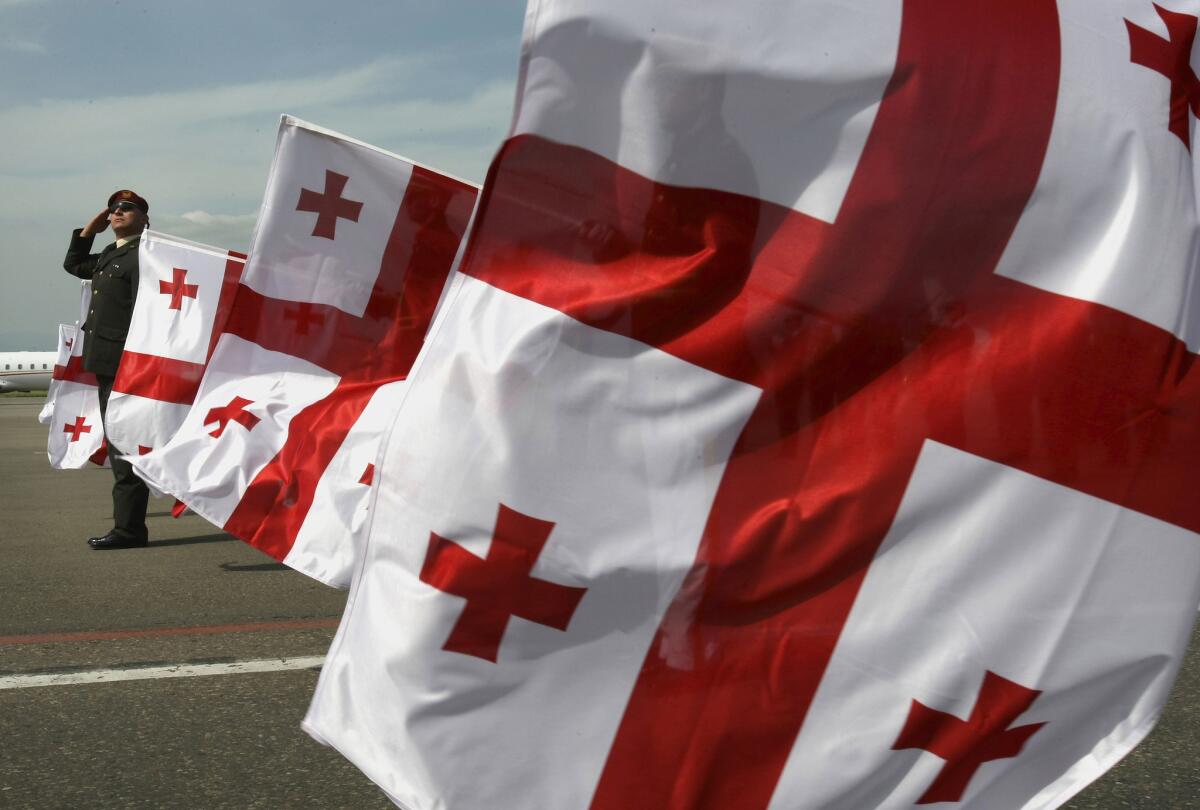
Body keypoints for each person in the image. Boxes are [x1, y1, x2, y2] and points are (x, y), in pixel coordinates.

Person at [63, 189, 152, 550]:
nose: (118, 212)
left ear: (145, 218)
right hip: (106, 365)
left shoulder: (147, 255)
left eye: (127, 208)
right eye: (114, 208)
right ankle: (130, 529)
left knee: (124, 447)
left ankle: (130, 531)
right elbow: (73, 265)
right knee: (121, 446)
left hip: (128, 367)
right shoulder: (110, 256)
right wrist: (89, 231)